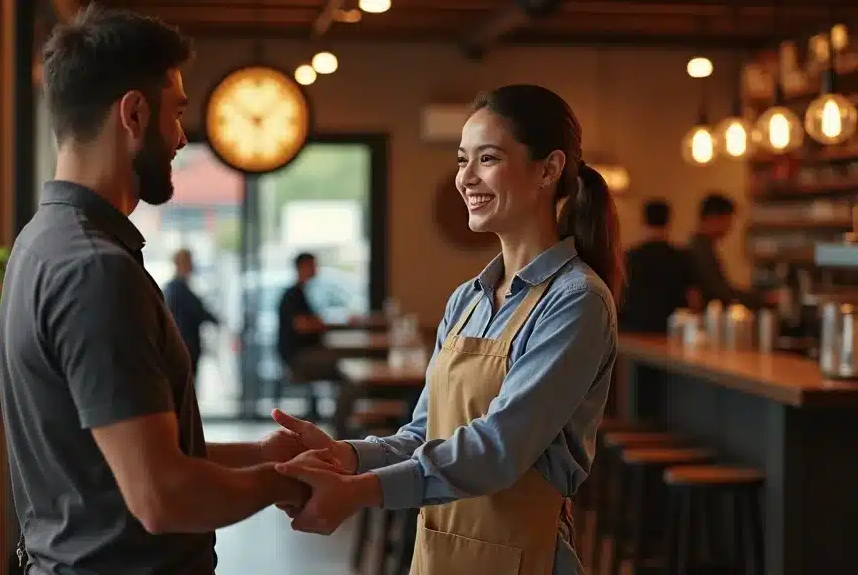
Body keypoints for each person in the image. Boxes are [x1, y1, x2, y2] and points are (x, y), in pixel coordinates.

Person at [0, 8, 308, 575]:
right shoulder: (94, 270)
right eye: (179, 112)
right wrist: (279, 484)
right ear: (135, 114)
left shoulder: (41, 241)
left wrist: (261, 456)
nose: (183, 137)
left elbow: (127, 458)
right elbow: (161, 496)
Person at [270, 84, 623, 575]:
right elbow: (424, 432)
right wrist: (346, 455)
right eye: (462, 160)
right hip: (440, 554)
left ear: (549, 169)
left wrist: (360, 492)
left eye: (488, 158)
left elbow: (499, 448)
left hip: (524, 559)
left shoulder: (577, 301)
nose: (466, 178)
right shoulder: (467, 300)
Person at [276, 252, 354, 437]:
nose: (315, 269)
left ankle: (339, 424)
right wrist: (323, 323)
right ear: (301, 268)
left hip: (305, 353)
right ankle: (340, 429)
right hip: (298, 358)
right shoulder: (292, 294)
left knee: (347, 369)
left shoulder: (301, 292)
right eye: (312, 265)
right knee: (349, 374)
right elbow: (302, 325)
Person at [619, 199, 699, 333]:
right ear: (668, 222)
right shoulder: (682, 257)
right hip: (669, 332)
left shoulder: (629, 257)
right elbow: (694, 299)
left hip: (633, 330)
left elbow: (618, 295)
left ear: (643, 220)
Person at [687, 192, 771, 309]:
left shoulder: (701, 247)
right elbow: (719, 292)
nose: (729, 226)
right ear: (713, 218)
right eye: (727, 220)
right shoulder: (700, 251)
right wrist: (761, 299)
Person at [163, 248, 220, 380]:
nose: (192, 265)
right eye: (189, 262)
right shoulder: (177, 289)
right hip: (184, 347)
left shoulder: (177, 288)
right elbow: (198, 311)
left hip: (184, 347)